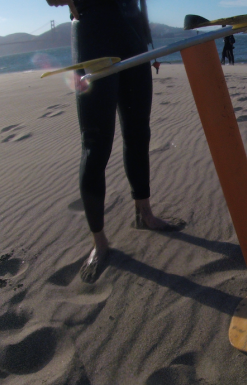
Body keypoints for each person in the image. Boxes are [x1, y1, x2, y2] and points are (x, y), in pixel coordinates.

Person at [46, 0, 182, 283]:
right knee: (95, 144)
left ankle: (144, 214)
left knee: (138, 131)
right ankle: (99, 242)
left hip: (132, 27)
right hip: (93, 30)